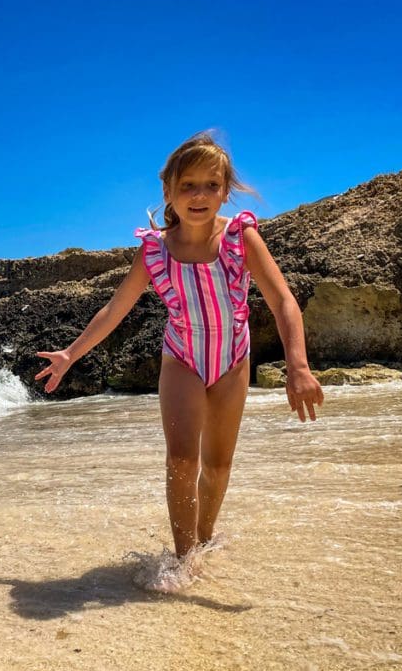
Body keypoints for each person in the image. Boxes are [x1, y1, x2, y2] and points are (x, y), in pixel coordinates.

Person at [35, 132, 324, 568]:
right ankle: (183, 559)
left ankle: (204, 538)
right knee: (182, 460)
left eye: (211, 185)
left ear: (225, 192)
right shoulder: (155, 250)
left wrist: (297, 366)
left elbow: (283, 300)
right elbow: (115, 308)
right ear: (168, 191)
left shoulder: (239, 238)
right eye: (187, 185)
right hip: (182, 359)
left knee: (218, 466)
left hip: (232, 361)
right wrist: (70, 354)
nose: (199, 195)